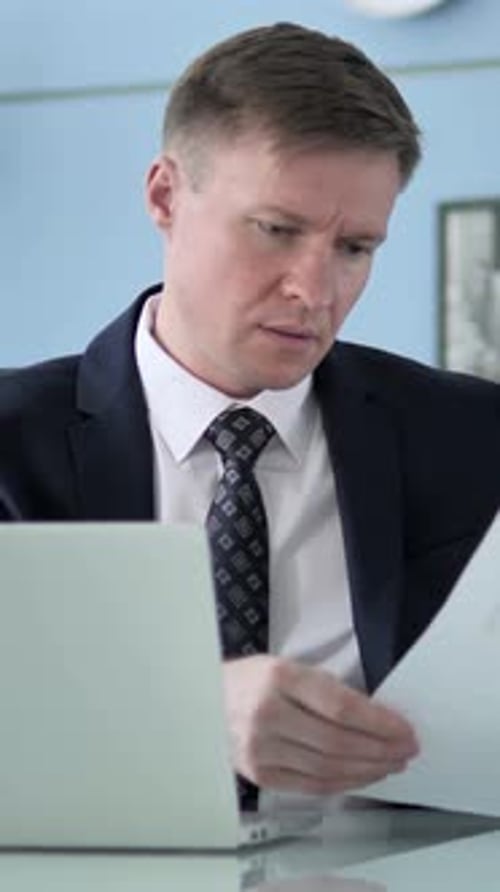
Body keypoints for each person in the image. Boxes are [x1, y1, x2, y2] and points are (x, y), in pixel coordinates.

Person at [1, 22, 499, 804]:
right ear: (166, 196)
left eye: (355, 248)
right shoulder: (12, 441)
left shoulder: (475, 440)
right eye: (277, 230)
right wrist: (191, 711)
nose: (315, 288)